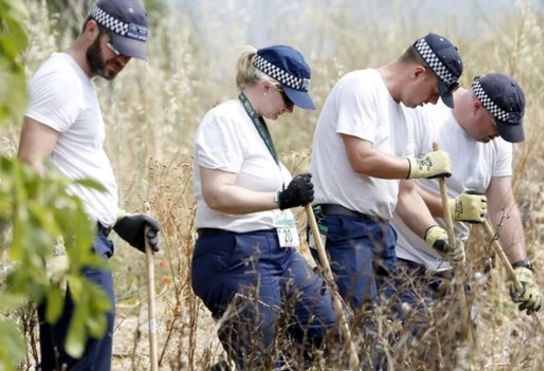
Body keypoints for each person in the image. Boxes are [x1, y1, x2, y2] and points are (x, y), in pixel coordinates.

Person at [17, 0, 160, 369]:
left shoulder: (79, 82)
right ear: (92, 29)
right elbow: (30, 164)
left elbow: (66, 169)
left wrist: (118, 219)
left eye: (130, 55)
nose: (122, 61)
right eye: (118, 48)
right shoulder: (61, 79)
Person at [190, 45, 337, 368]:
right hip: (236, 253)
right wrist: (280, 199)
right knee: (260, 358)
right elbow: (217, 194)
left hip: (280, 253)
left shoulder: (255, 125)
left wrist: (295, 193)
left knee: (328, 330)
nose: (291, 111)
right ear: (268, 87)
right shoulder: (225, 120)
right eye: (289, 100)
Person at [309, 33, 465, 310]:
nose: (432, 102)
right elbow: (361, 157)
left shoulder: (404, 115)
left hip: (380, 229)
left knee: (390, 325)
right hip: (344, 227)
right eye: (433, 92)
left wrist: (434, 235)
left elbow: (404, 193)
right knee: (361, 325)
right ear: (418, 72)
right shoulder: (361, 87)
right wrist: (420, 166)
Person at [393, 73, 543, 314]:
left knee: (461, 343)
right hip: (402, 254)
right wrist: (452, 209)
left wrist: (520, 266)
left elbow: (502, 205)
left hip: (450, 262)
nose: (500, 136)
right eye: (498, 127)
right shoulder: (425, 114)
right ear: (476, 106)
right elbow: (399, 189)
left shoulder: (498, 142)